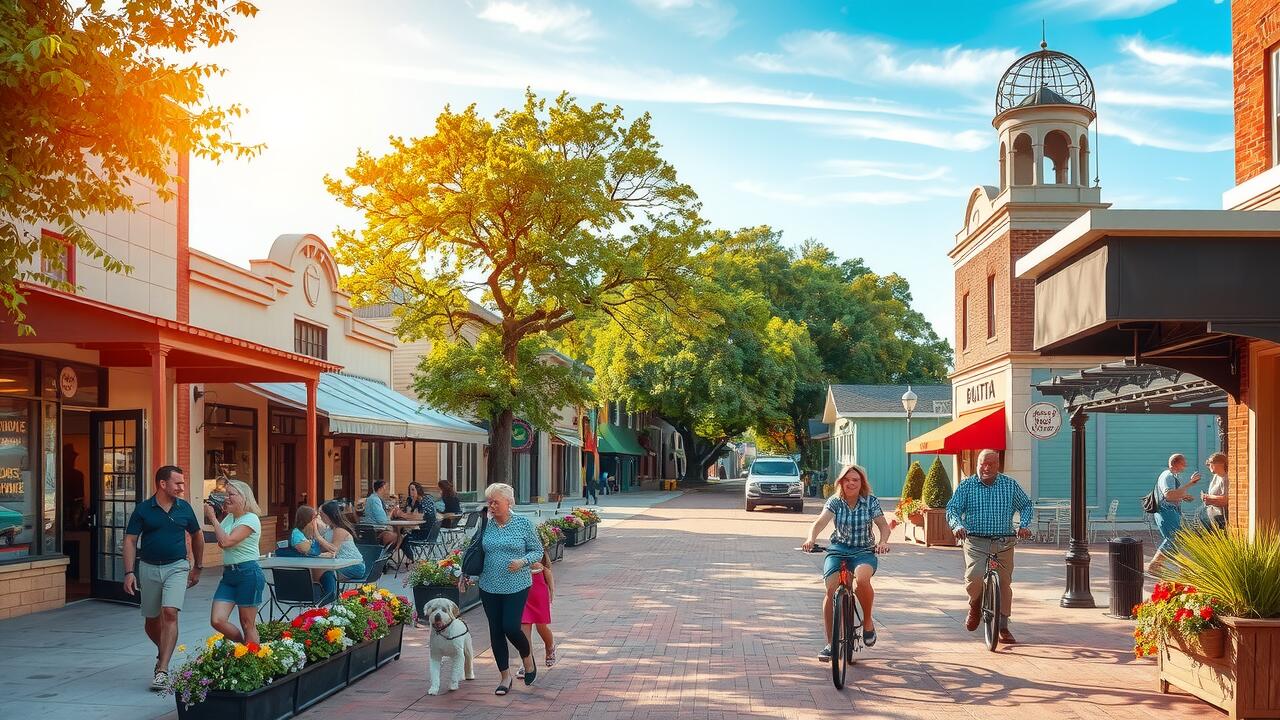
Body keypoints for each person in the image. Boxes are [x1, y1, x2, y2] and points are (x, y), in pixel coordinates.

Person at [122, 465, 204, 690]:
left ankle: (162, 669)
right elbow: (130, 541)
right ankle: (163, 652)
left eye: (183, 483)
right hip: (148, 567)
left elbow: (197, 536)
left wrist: (198, 566)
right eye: (178, 483)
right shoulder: (143, 510)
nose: (182, 487)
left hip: (177, 567)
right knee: (151, 620)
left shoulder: (184, 508)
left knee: (170, 613)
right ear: (162, 484)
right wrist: (129, 572)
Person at [801, 463, 891, 660]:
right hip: (838, 551)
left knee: (862, 580)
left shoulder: (870, 501)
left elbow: (884, 526)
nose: (851, 483)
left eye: (855, 480)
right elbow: (820, 522)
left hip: (864, 551)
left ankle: (868, 623)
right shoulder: (835, 501)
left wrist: (883, 542)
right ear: (841, 482)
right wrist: (811, 539)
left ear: (862, 483)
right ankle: (831, 643)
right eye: (847, 480)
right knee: (831, 589)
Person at [945, 449, 1034, 644]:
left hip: (1004, 542)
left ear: (998, 465)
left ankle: (1003, 625)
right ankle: (975, 604)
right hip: (975, 541)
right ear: (977, 463)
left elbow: (1026, 505)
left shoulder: (1010, 485)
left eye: (991, 464)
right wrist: (957, 525)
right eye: (982, 463)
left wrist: (1024, 525)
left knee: (1004, 582)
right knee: (974, 576)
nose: (986, 468)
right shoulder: (967, 485)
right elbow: (952, 508)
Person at [464, 482, 543, 695]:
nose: (491, 506)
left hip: (516, 584)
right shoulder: (485, 524)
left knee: (511, 626)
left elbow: (538, 551)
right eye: (489, 502)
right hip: (489, 585)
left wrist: (523, 561)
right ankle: (504, 677)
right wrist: (464, 573)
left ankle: (527, 658)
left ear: (509, 503)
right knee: (496, 631)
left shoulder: (523, 524)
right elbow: (472, 550)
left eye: (496, 502)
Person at [204, 479, 266, 647]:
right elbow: (221, 541)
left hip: (248, 573)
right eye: (226, 494)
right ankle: (244, 646)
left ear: (243, 497)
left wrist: (213, 519)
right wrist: (220, 526)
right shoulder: (230, 518)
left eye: (231, 494)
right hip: (229, 575)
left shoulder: (251, 519)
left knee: (248, 624)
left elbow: (225, 542)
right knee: (217, 620)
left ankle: (254, 659)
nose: (226, 498)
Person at [1147, 453, 1202, 574]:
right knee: (1173, 538)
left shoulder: (1169, 476)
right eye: (1183, 463)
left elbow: (1173, 495)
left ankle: (1183, 568)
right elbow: (1169, 495)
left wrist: (1183, 497)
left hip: (1168, 511)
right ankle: (1154, 566)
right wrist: (1190, 483)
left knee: (1176, 539)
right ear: (1175, 464)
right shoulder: (1168, 476)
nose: (1185, 466)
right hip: (1167, 512)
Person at [280, 505, 340, 599]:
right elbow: (304, 549)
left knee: (329, 575)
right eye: (315, 517)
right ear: (308, 519)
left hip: (315, 570)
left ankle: (328, 603)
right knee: (328, 575)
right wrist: (315, 534)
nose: (318, 520)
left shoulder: (314, 534)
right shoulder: (297, 533)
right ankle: (325, 603)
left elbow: (333, 549)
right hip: (303, 574)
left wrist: (317, 535)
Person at [517, 547, 557, 677]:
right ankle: (527, 662)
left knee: (542, 628)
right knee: (524, 631)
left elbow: (550, 587)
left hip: (539, 600)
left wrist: (550, 598)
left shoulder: (542, 567)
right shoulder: (520, 564)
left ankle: (550, 646)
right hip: (524, 599)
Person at [319, 501, 367, 584]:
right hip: (341, 563)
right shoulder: (329, 530)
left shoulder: (339, 531)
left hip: (354, 566)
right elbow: (323, 548)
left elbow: (332, 551)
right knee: (317, 571)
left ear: (328, 515)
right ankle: (326, 594)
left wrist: (317, 535)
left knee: (325, 573)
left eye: (321, 513)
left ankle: (330, 595)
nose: (320, 516)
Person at [361, 479, 408, 551]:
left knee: (401, 536)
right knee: (401, 537)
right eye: (386, 488)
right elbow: (382, 521)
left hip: (374, 530)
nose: (387, 490)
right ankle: (407, 558)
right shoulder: (375, 500)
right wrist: (392, 511)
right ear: (381, 489)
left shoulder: (373, 498)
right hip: (376, 531)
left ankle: (407, 558)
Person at [402, 482, 440, 546]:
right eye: (410, 490)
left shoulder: (426, 500)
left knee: (402, 538)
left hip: (425, 534)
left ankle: (408, 556)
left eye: (413, 490)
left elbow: (421, 516)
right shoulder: (414, 500)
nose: (411, 492)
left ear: (418, 490)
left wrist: (403, 515)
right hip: (425, 532)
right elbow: (409, 513)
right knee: (401, 534)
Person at [1200, 452, 1229, 531]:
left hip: (1220, 517)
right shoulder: (1216, 476)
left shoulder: (1226, 478)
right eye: (1209, 464)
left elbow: (1226, 499)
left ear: (1222, 463)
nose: (1210, 466)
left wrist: (1209, 497)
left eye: (1212, 463)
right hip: (1211, 514)